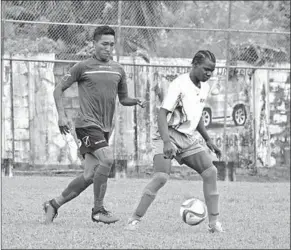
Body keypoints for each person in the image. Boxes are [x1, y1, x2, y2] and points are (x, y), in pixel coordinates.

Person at [43, 25, 145, 225]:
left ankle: (53, 204)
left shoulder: (118, 70)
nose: (108, 48)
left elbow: (123, 99)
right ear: (94, 44)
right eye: (104, 44)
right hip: (86, 124)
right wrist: (61, 116)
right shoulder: (83, 67)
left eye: (111, 45)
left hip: (104, 128)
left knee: (90, 175)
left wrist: (137, 101)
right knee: (107, 159)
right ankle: (98, 210)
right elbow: (58, 90)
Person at [125, 50, 224, 233]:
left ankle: (213, 224)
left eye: (212, 70)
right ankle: (134, 219)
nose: (209, 74)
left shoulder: (205, 87)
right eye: (206, 69)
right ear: (194, 64)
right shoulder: (179, 84)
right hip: (168, 134)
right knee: (161, 177)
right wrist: (166, 142)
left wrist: (208, 139)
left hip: (188, 138)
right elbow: (162, 113)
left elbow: (197, 114)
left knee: (210, 172)